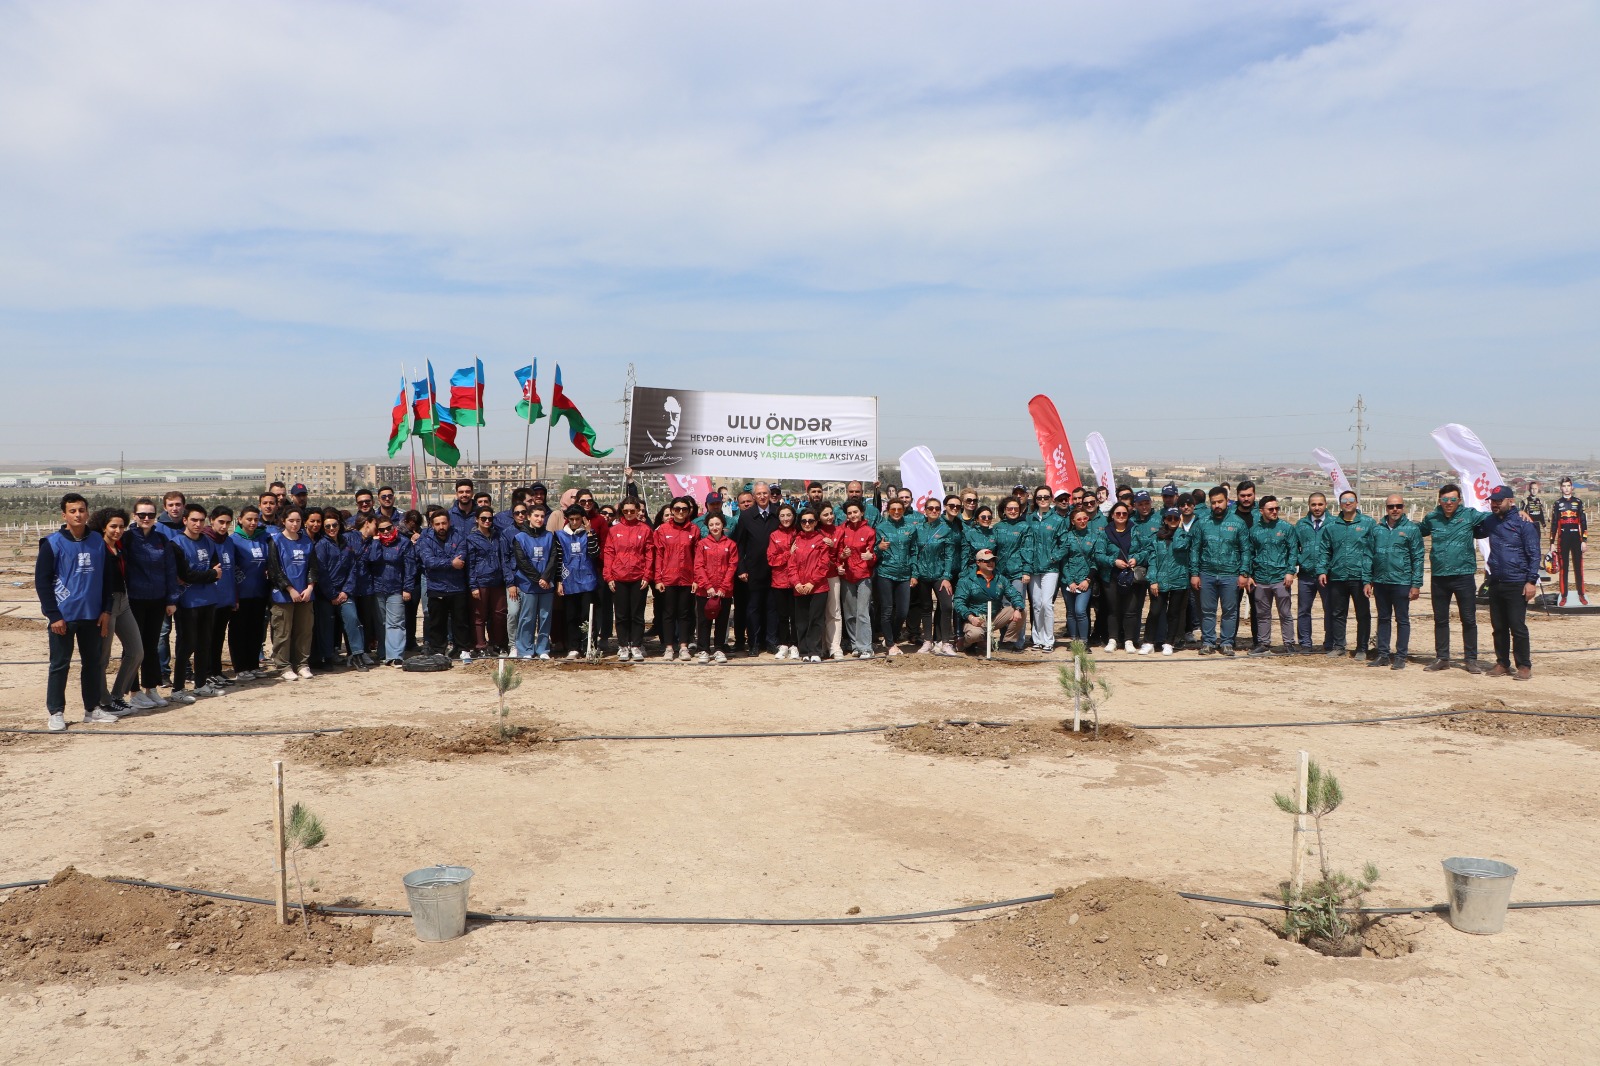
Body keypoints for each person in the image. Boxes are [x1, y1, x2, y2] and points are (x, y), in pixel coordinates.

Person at [37, 494, 115, 730]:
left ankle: (92, 709)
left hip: (92, 615)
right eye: (72, 511)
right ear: (64, 515)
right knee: (60, 665)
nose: (78, 515)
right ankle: (56, 712)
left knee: (92, 664)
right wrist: (53, 615)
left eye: (81, 510)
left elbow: (108, 578)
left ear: (87, 513)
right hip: (64, 617)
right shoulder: (52, 543)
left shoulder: (98, 542)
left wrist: (106, 610)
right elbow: (42, 582)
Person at [1418, 484, 1487, 673]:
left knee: (1469, 619)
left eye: (1453, 499)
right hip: (1439, 576)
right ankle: (1442, 658)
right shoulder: (1432, 518)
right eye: (1445, 499)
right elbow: (1417, 531)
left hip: (1463, 575)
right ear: (1439, 500)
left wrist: (1518, 513)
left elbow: (1495, 518)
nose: (1449, 503)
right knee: (1440, 619)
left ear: (1459, 500)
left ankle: (1471, 660)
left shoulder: (1469, 515)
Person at [1476, 486, 1541, 679]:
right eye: (1492, 501)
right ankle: (1502, 663)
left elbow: (1534, 554)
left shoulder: (1523, 523)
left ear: (1510, 501)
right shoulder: (1491, 521)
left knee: (1517, 626)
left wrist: (1531, 581)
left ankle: (1524, 665)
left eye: (1499, 501)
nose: (1494, 504)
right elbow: (1476, 531)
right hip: (1496, 581)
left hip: (1517, 582)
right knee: (1499, 627)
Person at [86, 508, 142, 716]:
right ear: (103, 527)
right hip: (105, 605)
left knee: (136, 651)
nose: (118, 530)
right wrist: (103, 608)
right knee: (103, 656)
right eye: (113, 526)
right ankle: (104, 700)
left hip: (123, 601)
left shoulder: (119, 546)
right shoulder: (97, 548)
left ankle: (118, 695)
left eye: (121, 526)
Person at [124, 497, 177, 710]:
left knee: (151, 646)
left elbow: (170, 570)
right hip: (134, 601)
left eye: (151, 515)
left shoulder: (161, 539)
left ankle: (151, 687)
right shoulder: (127, 539)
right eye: (142, 515)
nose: (146, 518)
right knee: (133, 647)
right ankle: (133, 691)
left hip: (157, 600)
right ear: (134, 516)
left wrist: (171, 599)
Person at [1188, 486, 1253, 656]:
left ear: (1227, 501)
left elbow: (1246, 550)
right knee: (1207, 610)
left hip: (1230, 574)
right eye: (1213, 502)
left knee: (1230, 611)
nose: (1217, 505)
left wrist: (1244, 573)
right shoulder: (1202, 523)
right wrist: (1194, 574)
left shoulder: (1238, 523)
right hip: (1206, 573)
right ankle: (1208, 642)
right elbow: (1195, 550)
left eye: (1220, 502)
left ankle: (1226, 642)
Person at [1365, 494, 1424, 669]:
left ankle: (1400, 656)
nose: (1395, 509)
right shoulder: (1377, 530)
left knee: (1402, 620)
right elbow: (1368, 555)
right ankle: (1383, 654)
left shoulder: (1411, 529)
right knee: (1383, 618)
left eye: (1398, 506)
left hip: (1402, 582)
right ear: (1386, 508)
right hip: (1381, 582)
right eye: (1391, 506)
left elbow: (1418, 558)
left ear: (1403, 507)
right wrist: (1367, 580)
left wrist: (1416, 584)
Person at [267, 508, 319, 680]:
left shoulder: (307, 541)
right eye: (291, 520)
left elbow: (312, 567)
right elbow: (274, 570)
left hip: (305, 595)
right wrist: (289, 589)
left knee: (304, 631)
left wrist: (310, 587)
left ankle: (302, 664)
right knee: (283, 632)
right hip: (283, 596)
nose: (295, 524)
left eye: (298, 521)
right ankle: (283, 666)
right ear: (283, 521)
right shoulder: (276, 541)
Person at [312, 509, 367, 670]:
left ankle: (357, 655)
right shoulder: (321, 545)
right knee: (326, 626)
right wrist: (332, 594)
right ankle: (327, 657)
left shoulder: (346, 543)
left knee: (353, 620)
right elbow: (321, 572)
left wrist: (345, 591)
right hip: (326, 594)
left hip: (344, 592)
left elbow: (353, 568)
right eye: (327, 526)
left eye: (334, 525)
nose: (331, 529)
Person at [1324, 490, 1375, 660]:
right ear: (1340, 504)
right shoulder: (1332, 526)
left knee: (1363, 614)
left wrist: (1369, 577)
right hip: (1337, 576)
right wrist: (1322, 570)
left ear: (1357, 502)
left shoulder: (1368, 523)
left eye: (1351, 499)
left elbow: (1372, 551)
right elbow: (1325, 550)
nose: (1348, 502)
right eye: (1344, 500)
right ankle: (1339, 646)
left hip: (1359, 576)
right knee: (1338, 613)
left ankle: (1362, 648)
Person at [417, 508, 472, 660]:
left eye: (444, 523)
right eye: (437, 524)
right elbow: (429, 562)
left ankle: (462, 649)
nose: (441, 527)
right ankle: (438, 650)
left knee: (460, 621)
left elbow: (461, 559)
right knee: (437, 622)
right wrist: (450, 563)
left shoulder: (459, 538)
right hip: (436, 587)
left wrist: (443, 563)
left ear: (449, 522)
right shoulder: (426, 540)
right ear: (431, 524)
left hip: (457, 587)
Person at [1246, 496, 1298, 656]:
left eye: (1277, 508)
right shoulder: (1254, 531)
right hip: (1261, 578)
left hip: (1280, 578)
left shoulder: (1286, 528)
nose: (1275, 511)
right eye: (1271, 509)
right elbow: (1249, 553)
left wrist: (1290, 572)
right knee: (1262, 614)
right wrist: (1248, 574)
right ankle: (1263, 643)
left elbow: (1293, 551)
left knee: (1285, 613)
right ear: (1261, 511)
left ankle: (1289, 643)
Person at [604, 497, 654, 661]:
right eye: (626, 511)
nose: (629, 513)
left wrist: (647, 575)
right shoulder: (614, 530)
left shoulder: (645, 530)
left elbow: (649, 554)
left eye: (632, 510)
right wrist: (608, 576)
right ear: (622, 511)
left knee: (637, 614)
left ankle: (636, 645)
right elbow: (609, 553)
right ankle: (623, 645)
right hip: (619, 577)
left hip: (638, 577)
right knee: (621, 614)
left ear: (638, 511)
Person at [733, 484, 780, 655]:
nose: (762, 496)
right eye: (759, 494)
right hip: (753, 570)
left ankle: (771, 641)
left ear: (770, 494)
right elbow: (740, 545)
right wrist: (741, 568)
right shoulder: (746, 516)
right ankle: (753, 643)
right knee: (753, 608)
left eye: (765, 493)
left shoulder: (777, 513)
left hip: (775, 569)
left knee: (772, 607)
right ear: (754, 497)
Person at [1096, 502, 1149, 653]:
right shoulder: (1105, 532)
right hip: (1111, 576)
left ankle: (1128, 640)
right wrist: (1113, 561)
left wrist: (1136, 559)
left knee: (1130, 610)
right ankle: (1113, 639)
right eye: (1118, 513)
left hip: (1131, 576)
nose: (1121, 516)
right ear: (1112, 515)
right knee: (1113, 609)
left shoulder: (1135, 530)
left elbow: (1147, 549)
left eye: (1124, 513)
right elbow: (1099, 554)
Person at [909, 497, 959, 655]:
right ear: (925, 511)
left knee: (947, 606)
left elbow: (949, 555)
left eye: (937, 508)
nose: (934, 511)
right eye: (930, 508)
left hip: (939, 575)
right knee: (925, 607)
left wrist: (946, 577)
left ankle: (945, 642)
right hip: (922, 575)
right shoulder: (918, 529)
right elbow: (914, 553)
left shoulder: (946, 529)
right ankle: (927, 640)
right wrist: (915, 574)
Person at [653, 497, 701, 660]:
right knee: (668, 613)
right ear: (672, 511)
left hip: (687, 578)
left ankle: (683, 646)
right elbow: (659, 555)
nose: (681, 512)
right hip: (668, 578)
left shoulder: (694, 530)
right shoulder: (662, 530)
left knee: (685, 613)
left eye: (684, 509)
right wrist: (658, 579)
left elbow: (698, 556)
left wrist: (696, 579)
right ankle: (668, 647)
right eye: (677, 509)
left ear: (689, 511)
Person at [227, 506, 271, 681]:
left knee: (256, 631)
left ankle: (253, 665)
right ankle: (240, 668)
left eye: (256, 519)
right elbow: (232, 567)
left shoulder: (263, 538)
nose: (253, 523)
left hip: (259, 593)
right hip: (241, 595)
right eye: (249, 519)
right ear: (240, 520)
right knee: (239, 631)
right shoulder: (233, 540)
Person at [551, 505, 601, 658]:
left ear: (583, 519)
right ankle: (574, 647)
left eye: (577, 519)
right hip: (569, 582)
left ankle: (590, 646)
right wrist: (559, 581)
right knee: (571, 615)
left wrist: (589, 532)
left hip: (587, 581)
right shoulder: (560, 535)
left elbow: (594, 553)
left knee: (588, 615)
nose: (574, 522)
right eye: (571, 519)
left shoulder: (589, 534)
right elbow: (558, 559)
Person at [366, 513, 415, 665]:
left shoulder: (404, 542)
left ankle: (396, 655)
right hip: (377, 588)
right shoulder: (374, 543)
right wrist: (375, 542)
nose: (386, 532)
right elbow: (372, 559)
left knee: (396, 622)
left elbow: (410, 567)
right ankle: (383, 652)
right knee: (381, 623)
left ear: (393, 527)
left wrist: (407, 588)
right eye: (382, 530)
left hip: (396, 588)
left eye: (388, 528)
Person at [954, 548, 1025, 652]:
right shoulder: (966, 580)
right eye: (986, 561)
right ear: (978, 563)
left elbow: (1015, 595)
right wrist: (971, 617)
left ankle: (1007, 642)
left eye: (992, 560)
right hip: (975, 619)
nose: (990, 563)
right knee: (975, 635)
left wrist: (1018, 609)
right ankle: (965, 643)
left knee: (1022, 610)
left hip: (994, 617)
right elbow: (958, 603)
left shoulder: (1000, 578)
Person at [467, 507, 515, 657]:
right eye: (483, 518)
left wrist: (508, 580)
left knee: (499, 614)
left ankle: (499, 644)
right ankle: (480, 645)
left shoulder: (498, 536)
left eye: (490, 518)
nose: (487, 521)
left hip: (497, 581)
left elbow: (504, 559)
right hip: (481, 581)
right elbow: (470, 564)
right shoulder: (471, 539)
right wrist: (473, 586)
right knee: (479, 615)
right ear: (477, 519)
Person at [788, 509, 835, 662]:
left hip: (818, 587)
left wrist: (811, 582)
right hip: (799, 587)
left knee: (816, 620)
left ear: (816, 522)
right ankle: (804, 652)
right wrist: (797, 583)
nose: (807, 524)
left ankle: (815, 651)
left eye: (810, 521)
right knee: (801, 621)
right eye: (804, 521)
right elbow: (791, 564)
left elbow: (823, 564)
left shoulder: (822, 540)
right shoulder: (796, 540)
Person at [873, 498, 917, 655]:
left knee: (902, 612)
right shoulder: (881, 528)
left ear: (904, 510)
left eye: (899, 509)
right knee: (887, 610)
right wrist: (879, 548)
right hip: (885, 572)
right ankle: (891, 644)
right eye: (893, 509)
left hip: (904, 574)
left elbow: (914, 551)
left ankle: (890, 637)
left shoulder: (910, 528)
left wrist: (914, 573)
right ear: (888, 511)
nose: (896, 512)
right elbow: (873, 551)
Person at [511, 505, 556, 658]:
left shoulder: (549, 536)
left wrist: (546, 578)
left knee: (545, 617)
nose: (539, 519)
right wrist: (538, 579)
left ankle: (543, 649)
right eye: (536, 516)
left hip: (546, 584)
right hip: (528, 584)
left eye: (542, 516)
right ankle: (525, 649)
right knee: (527, 617)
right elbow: (522, 562)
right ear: (529, 517)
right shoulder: (520, 537)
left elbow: (553, 558)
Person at [1025, 485, 1066, 652]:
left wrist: (1053, 558)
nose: (1042, 500)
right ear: (1035, 500)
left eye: (1046, 497)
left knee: (1046, 604)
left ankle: (1049, 640)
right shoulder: (1029, 519)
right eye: (1039, 497)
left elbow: (1064, 544)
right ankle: (1037, 638)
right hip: (1033, 567)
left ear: (1051, 499)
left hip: (1050, 568)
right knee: (1036, 604)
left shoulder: (1058, 520)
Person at [693, 512, 738, 663]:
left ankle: (719, 648)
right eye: (711, 524)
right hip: (705, 590)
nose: (715, 527)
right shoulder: (702, 544)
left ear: (723, 525)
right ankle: (704, 649)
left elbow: (732, 567)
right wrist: (708, 586)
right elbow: (699, 566)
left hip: (724, 591)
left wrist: (723, 587)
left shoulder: (731, 545)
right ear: (707, 526)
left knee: (722, 621)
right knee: (704, 621)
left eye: (717, 524)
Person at [203, 506, 240, 688]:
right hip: (210, 599)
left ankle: (217, 671)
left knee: (219, 637)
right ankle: (206, 672)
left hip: (226, 597)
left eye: (227, 522)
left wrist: (234, 597)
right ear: (212, 520)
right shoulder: (204, 540)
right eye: (221, 522)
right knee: (207, 638)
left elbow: (232, 571)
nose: (224, 526)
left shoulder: (229, 542)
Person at [1144, 507, 1189, 655]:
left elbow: (1178, 546)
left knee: (1174, 613)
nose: (1172, 521)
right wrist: (1153, 580)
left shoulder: (1184, 536)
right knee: (1155, 612)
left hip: (1179, 580)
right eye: (1169, 518)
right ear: (1164, 520)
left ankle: (1169, 643)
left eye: (1176, 518)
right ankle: (1148, 642)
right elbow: (1152, 560)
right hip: (1160, 579)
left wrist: (1179, 530)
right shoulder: (1156, 538)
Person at [837, 500, 877, 659]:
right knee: (850, 613)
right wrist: (842, 557)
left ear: (861, 513)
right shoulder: (842, 530)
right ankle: (855, 645)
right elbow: (837, 553)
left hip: (864, 576)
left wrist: (870, 557)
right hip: (847, 576)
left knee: (862, 612)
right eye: (849, 513)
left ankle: (866, 647)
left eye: (855, 512)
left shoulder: (869, 531)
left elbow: (873, 555)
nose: (853, 515)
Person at [1293, 493, 1332, 655]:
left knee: (1330, 609)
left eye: (1320, 504)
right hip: (1306, 575)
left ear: (1326, 505)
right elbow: (1294, 547)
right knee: (1303, 610)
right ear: (1309, 505)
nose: (1317, 508)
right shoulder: (1301, 525)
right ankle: (1305, 643)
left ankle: (1330, 642)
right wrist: (1300, 560)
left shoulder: (1333, 523)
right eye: (1313, 504)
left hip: (1327, 576)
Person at [1058, 506, 1097, 644]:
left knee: (1080, 611)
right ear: (1072, 521)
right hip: (1068, 581)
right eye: (1079, 519)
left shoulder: (1094, 537)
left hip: (1085, 581)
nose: (1082, 521)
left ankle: (1084, 641)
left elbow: (1095, 561)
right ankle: (1074, 640)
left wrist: (1087, 580)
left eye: (1085, 518)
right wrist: (1070, 581)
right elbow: (1063, 560)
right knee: (1071, 612)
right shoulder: (1067, 537)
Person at [765, 504, 799, 659]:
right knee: (783, 616)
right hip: (779, 581)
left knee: (796, 616)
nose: (786, 518)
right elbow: (771, 560)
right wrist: (788, 554)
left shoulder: (799, 533)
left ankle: (795, 645)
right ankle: (784, 644)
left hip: (797, 581)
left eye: (788, 515)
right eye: (782, 516)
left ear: (793, 516)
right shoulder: (774, 535)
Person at [1551, 476, 1588, 605]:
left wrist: (1584, 540)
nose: (1566, 488)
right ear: (1561, 488)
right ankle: (1564, 595)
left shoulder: (1578, 502)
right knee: (1563, 568)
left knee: (1579, 567)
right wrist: (1552, 543)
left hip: (1576, 538)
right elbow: (1554, 524)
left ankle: (1581, 594)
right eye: (1564, 486)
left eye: (1568, 486)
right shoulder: (1557, 503)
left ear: (1572, 487)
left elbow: (1583, 522)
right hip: (1563, 538)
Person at [818, 504, 845, 659]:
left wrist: (840, 556)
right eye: (825, 514)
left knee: (834, 611)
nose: (829, 517)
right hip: (816, 577)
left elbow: (841, 553)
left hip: (832, 575)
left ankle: (834, 646)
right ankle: (820, 646)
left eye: (831, 513)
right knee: (818, 613)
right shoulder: (814, 531)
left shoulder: (839, 531)